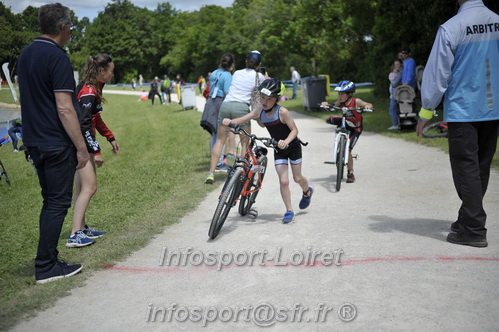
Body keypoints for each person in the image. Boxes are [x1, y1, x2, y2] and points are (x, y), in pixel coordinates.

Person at [416, 0, 499, 248]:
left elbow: (437, 73)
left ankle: (473, 229)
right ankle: (467, 217)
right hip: (493, 108)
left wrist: (425, 113)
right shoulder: (497, 21)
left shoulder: (452, 27)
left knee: (466, 168)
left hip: (465, 110)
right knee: (481, 166)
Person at [17, 3, 90, 284]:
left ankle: (47, 259)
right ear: (62, 27)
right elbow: (64, 107)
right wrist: (81, 147)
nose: (71, 31)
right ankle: (46, 266)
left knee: (50, 202)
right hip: (56, 141)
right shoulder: (57, 56)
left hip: (34, 140)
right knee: (58, 203)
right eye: (70, 27)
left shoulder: (26, 54)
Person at [222, 79, 313, 223]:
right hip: (278, 149)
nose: (265, 101)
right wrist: (231, 122)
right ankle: (289, 211)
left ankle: (307, 191)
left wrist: (286, 142)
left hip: (293, 147)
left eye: (269, 99)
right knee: (283, 181)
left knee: (297, 178)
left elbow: (295, 130)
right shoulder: (260, 110)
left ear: (277, 99)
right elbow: (245, 118)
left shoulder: (282, 112)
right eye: (262, 97)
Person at [68, 53, 120, 248]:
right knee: (90, 187)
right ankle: (75, 234)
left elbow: (95, 119)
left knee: (82, 187)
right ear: (101, 71)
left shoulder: (91, 87)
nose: (112, 75)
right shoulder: (89, 91)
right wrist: (95, 150)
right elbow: (84, 123)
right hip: (81, 144)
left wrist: (110, 136)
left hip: (82, 143)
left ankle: (81, 227)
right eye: (111, 71)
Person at [205, 50, 266, 184]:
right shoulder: (258, 76)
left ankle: (211, 173)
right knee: (244, 142)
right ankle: (243, 173)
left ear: (246, 61)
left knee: (220, 141)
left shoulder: (237, 73)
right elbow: (267, 85)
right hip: (241, 108)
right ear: (259, 63)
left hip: (226, 105)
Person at [322, 81, 373, 184]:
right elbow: (332, 106)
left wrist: (367, 106)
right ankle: (339, 142)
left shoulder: (356, 101)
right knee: (329, 119)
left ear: (349, 94)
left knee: (348, 149)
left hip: (356, 129)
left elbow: (368, 104)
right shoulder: (340, 102)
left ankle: (350, 172)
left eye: (342, 94)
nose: (339, 96)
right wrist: (326, 105)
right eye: (339, 94)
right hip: (346, 124)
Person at [200, 53, 235, 172]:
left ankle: (215, 161)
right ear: (232, 65)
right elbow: (227, 93)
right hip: (220, 103)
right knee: (221, 135)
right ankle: (219, 163)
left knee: (215, 134)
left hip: (210, 102)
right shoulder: (228, 75)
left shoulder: (214, 72)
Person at [388, 58, 403, 130]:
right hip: (396, 91)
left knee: (392, 108)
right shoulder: (397, 73)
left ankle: (395, 124)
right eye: (395, 65)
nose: (397, 66)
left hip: (396, 91)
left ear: (401, 65)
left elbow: (394, 84)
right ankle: (398, 123)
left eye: (398, 64)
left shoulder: (400, 73)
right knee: (397, 109)